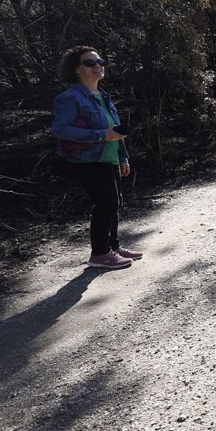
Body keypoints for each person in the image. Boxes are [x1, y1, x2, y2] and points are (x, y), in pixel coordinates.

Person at [51, 46, 142, 269]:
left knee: (114, 204)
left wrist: (123, 157)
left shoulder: (104, 96)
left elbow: (116, 131)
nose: (98, 65)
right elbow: (60, 129)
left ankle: (113, 247)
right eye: (90, 63)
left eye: (100, 61)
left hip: (109, 158)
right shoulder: (70, 98)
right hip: (88, 159)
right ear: (77, 69)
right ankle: (100, 254)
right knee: (106, 204)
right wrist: (100, 135)